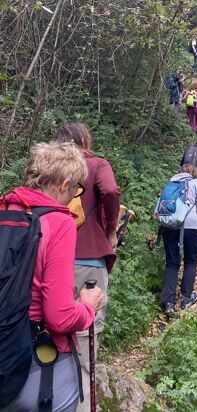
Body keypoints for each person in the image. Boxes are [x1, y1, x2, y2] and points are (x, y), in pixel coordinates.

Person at [0, 141, 103, 412]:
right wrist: (88, 307)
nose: (74, 197)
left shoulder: (5, 210)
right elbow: (60, 316)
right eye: (75, 189)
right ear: (63, 183)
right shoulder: (59, 222)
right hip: (34, 359)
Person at [53, 123, 120, 412]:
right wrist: (111, 229)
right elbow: (111, 190)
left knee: (52, 331)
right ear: (84, 140)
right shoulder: (95, 164)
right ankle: (78, 404)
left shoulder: (50, 171)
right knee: (85, 335)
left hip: (51, 261)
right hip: (88, 259)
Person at [159, 164, 197, 315]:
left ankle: (169, 302)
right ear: (194, 173)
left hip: (168, 226)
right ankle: (186, 297)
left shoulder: (170, 184)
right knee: (190, 260)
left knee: (172, 263)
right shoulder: (195, 183)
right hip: (190, 226)